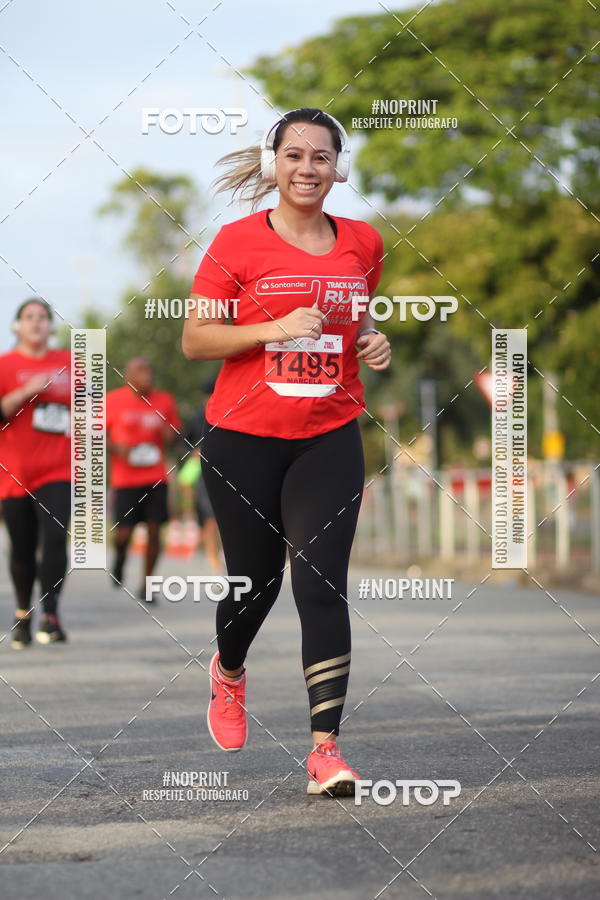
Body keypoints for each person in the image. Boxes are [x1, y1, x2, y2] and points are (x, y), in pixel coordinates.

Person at [182, 108, 391, 796]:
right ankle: (229, 671)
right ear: (274, 163)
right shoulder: (236, 242)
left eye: (321, 156)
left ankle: (325, 750)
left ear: (338, 168)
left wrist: (371, 340)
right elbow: (197, 340)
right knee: (256, 582)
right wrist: (272, 327)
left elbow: (355, 314)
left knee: (321, 583)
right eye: (294, 155)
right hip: (243, 437)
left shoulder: (364, 241)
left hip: (329, 435)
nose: (307, 168)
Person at [0, 298, 71, 647]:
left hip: (59, 468)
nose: (36, 322)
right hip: (14, 471)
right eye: (29, 317)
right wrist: (27, 391)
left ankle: (51, 614)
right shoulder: (5, 365)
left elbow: (90, 409)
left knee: (56, 538)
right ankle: (22, 614)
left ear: (51, 326)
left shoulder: (70, 362)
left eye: (43, 317)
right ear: (17, 326)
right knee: (22, 546)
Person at [106, 357, 180, 601]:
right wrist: (116, 448)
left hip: (156, 476)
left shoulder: (164, 400)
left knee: (155, 530)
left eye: (149, 371)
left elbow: (174, 435)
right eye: (140, 371)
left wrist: (169, 433)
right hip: (125, 479)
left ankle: (148, 584)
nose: (147, 376)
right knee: (124, 533)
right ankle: (120, 558)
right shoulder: (112, 401)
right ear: (128, 376)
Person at [180, 378, 222, 574]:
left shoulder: (231, 412)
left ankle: (219, 553)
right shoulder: (197, 417)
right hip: (200, 470)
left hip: (227, 469)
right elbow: (183, 441)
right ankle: (214, 560)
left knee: (223, 517)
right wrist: (193, 452)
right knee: (210, 517)